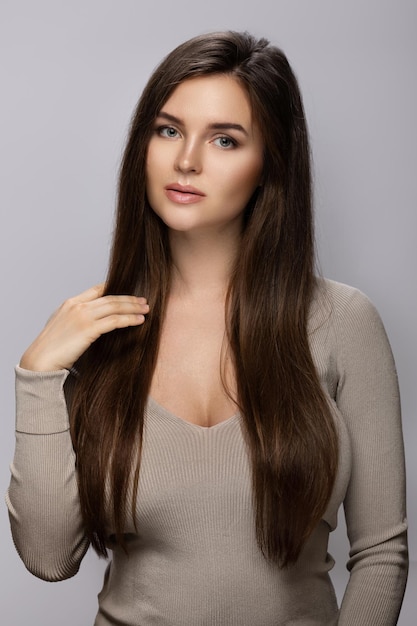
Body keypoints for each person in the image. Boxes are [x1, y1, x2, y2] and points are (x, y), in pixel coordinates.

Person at [6, 31, 408, 625]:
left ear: (270, 162)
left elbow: (380, 553)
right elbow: (48, 558)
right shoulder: (98, 332)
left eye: (225, 139)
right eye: (168, 130)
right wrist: (38, 378)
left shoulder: (342, 324)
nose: (187, 159)